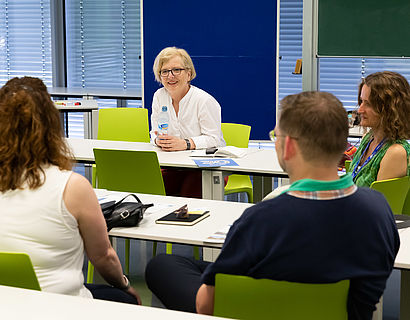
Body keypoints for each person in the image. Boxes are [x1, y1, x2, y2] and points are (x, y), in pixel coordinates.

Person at [145, 91, 400, 319]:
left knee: (163, 266)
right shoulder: (378, 208)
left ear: (287, 146)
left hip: (256, 310)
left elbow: (206, 306)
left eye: (275, 135)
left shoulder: (261, 219)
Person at [0, 77, 140, 304]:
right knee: (125, 299)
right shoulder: (72, 186)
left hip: (7, 304)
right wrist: (124, 284)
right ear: (51, 124)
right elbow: (103, 257)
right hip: (62, 306)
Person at [150, 47, 225, 197]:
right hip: (173, 165)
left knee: (187, 198)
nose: (170, 76)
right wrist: (159, 140)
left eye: (176, 70)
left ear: (188, 74)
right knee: (150, 188)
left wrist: (185, 143)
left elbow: (214, 139)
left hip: (205, 168)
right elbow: (154, 133)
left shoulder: (204, 101)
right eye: (164, 71)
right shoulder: (159, 96)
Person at [347, 71, 410, 187]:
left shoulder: (395, 152)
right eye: (361, 101)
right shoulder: (368, 139)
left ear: (389, 110)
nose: (360, 110)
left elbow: (378, 204)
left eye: (368, 104)